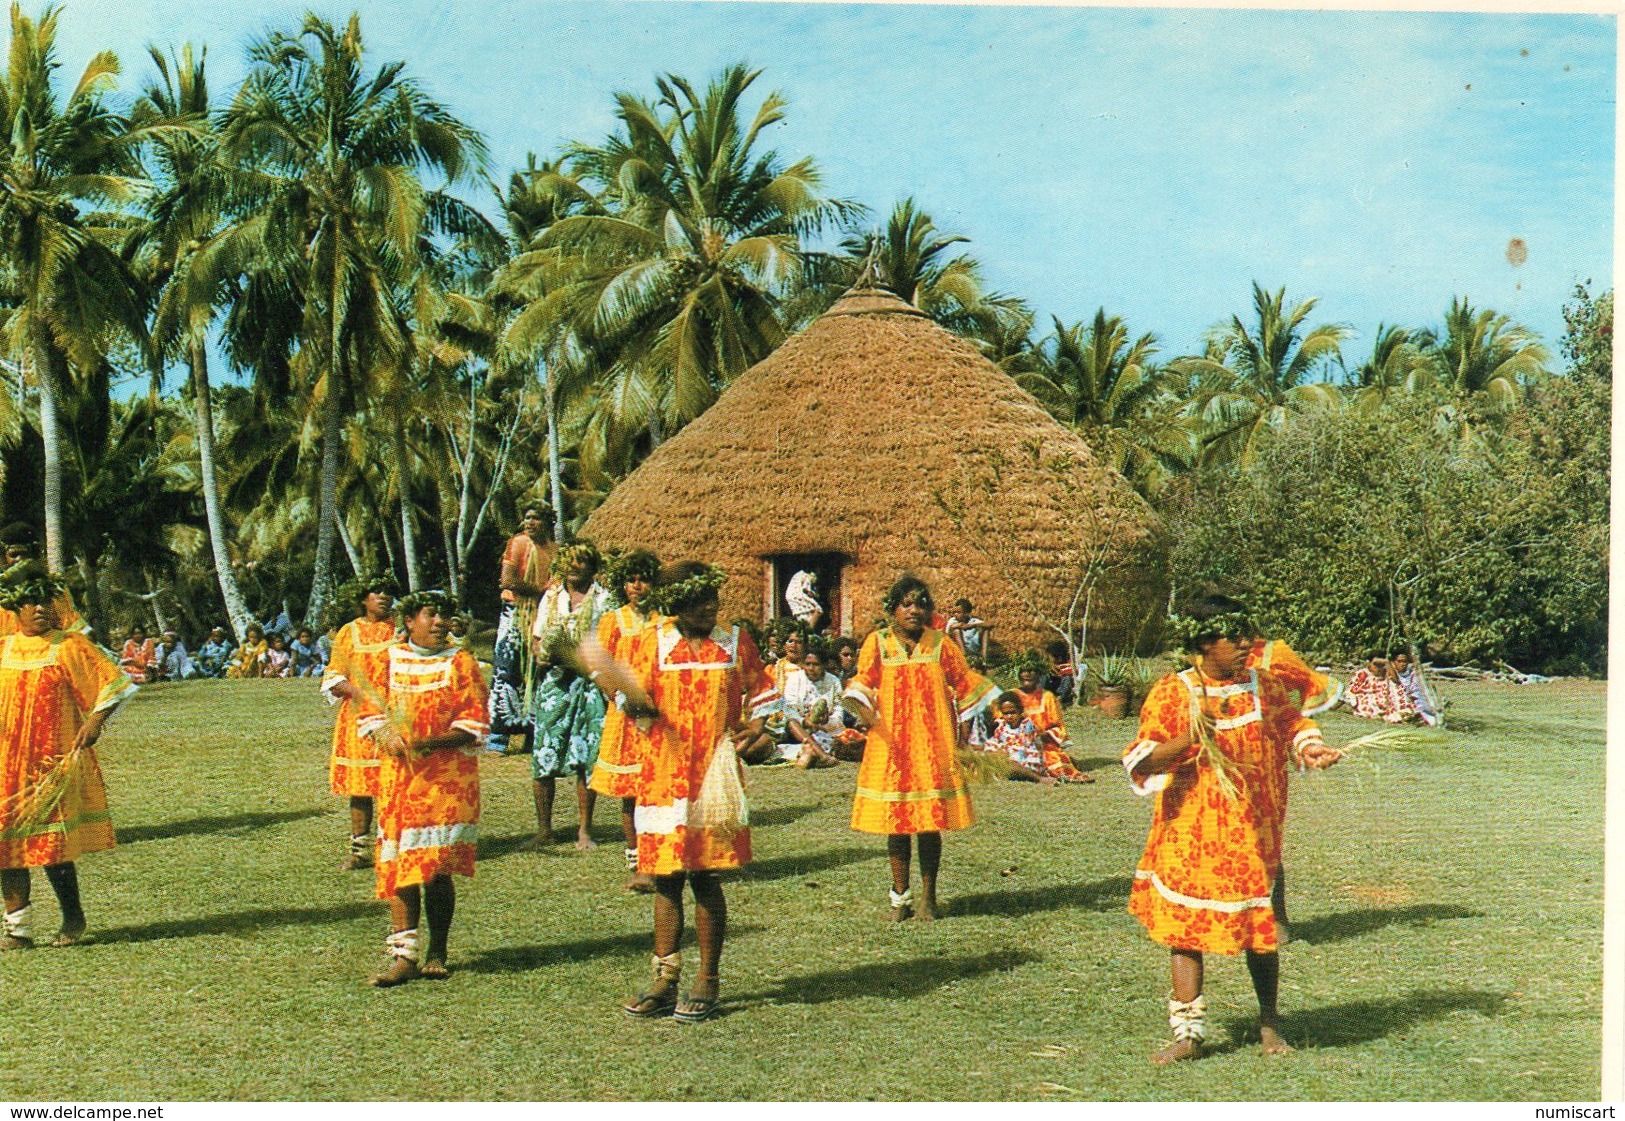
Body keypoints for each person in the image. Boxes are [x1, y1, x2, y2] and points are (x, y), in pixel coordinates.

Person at [1123, 595, 1342, 1064]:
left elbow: (1292, 724)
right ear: (1204, 642)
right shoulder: (1173, 692)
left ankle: (1269, 1025)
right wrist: (1190, 738)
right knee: (1185, 929)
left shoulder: (1265, 686)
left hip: (1252, 827)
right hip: (1192, 828)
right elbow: (1144, 758)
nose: (1247, 644)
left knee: (1259, 930)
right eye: (1234, 636)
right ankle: (1188, 1034)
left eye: (1248, 633)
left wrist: (1310, 748)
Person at [619, 561, 778, 1023]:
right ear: (675, 603)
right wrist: (633, 702)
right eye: (697, 600)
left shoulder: (733, 641)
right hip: (664, 774)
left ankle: (707, 979)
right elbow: (634, 701)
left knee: (706, 876)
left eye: (713, 598)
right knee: (667, 878)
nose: (709, 607)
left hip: (714, 774)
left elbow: (762, 688)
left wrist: (756, 726)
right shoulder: (654, 641)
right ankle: (665, 977)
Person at [844, 575, 996, 922]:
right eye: (907, 604)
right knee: (896, 824)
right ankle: (900, 899)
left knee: (929, 823)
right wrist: (863, 709)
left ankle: (929, 897)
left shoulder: (941, 644)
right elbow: (862, 682)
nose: (915, 611)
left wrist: (981, 719)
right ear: (893, 610)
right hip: (891, 746)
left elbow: (964, 684)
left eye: (921, 604)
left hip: (932, 745)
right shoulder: (877, 643)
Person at [0, 565, 136, 949]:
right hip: (5, 765)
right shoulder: (3, 647)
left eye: (46, 600)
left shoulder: (69, 646)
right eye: (31, 601)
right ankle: (18, 929)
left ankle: (72, 917)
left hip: (51, 764)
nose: (40, 608)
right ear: (16, 608)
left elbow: (113, 684)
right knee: (6, 849)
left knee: (52, 849)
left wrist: (95, 722)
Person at [357, 589, 488, 987]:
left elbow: (475, 722)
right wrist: (385, 734)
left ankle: (438, 949)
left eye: (444, 615)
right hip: (400, 779)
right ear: (409, 620)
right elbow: (369, 711)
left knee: (434, 869)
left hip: (447, 782)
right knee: (400, 867)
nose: (439, 622)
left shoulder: (461, 662)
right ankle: (404, 955)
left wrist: (429, 743)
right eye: (430, 614)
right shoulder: (387, 660)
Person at [527, 542, 614, 851]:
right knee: (544, 753)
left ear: (593, 567)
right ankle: (544, 829)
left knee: (585, 756)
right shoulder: (551, 598)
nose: (576, 567)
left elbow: (609, 641)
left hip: (590, 683)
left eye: (583, 562)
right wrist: (542, 654)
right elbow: (538, 638)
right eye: (571, 562)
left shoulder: (605, 600)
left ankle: (584, 829)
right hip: (555, 683)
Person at [587, 548, 663, 893]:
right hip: (626, 715)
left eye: (643, 578)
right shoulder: (613, 621)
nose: (637, 586)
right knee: (631, 792)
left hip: (662, 714)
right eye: (631, 580)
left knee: (660, 787)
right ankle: (639, 863)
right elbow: (600, 669)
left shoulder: (665, 620)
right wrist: (621, 698)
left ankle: (663, 856)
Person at [323, 576, 401, 871]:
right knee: (361, 787)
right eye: (376, 591)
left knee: (397, 783)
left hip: (398, 716)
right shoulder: (348, 632)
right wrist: (362, 695)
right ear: (363, 598)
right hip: (357, 720)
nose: (383, 596)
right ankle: (359, 850)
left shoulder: (402, 629)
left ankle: (393, 846)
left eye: (388, 591)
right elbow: (334, 677)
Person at [489, 505, 555, 755]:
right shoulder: (517, 543)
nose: (529, 522)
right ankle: (498, 737)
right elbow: (508, 581)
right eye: (526, 517)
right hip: (515, 612)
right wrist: (541, 591)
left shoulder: (554, 550)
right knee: (507, 669)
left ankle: (532, 734)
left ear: (547, 522)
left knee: (536, 671)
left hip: (541, 615)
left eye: (536, 518)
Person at [0, 523, 89, 640]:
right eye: (14, 555)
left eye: (24, 554)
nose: (19, 559)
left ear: (33, 554)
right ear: (4, 558)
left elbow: (72, 626)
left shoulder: (52, 588)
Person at [781, 643, 859, 768]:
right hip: (799, 730)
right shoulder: (795, 679)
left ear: (823, 665)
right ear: (803, 664)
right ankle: (823, 755)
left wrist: (827, 720)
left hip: (826, 728)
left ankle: (811, 753)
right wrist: (805, 721)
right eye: (808, 664)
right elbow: (789, 709)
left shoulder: (833, 681)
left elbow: (838, 710)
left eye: (816, 664)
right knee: (792, 721)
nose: (811, 668)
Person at [984, 693, 1057, 784]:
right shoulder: (1001, 726)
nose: (1009, 716)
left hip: (1025, 762)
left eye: (1013, 712)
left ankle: (1039, 779)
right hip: (1006, 760)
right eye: (1006, 713)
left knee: (1010, 766)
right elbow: (996, 742)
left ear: (1020, 710)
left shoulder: (1026, 725)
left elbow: (1026, 749)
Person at [1346, 654, 1417, 723]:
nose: (1378, 668)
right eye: (1375, 665)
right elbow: (1351, 692)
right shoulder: (1363, 674)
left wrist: (1387, 663)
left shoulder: (1386, 674)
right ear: (1369, 664)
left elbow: (1396, 682)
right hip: (1369, 702)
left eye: (1381, 665)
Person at [1391, 652, 1439, 726]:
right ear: (1394, 662)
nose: (1402, 664)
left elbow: (1416, 689)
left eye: (1404, 661)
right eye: (1399, 661)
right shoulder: (1391, 674)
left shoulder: (1413, 674)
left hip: (1411, 700)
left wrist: (1411, 696)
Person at [944, 599, 993, 668]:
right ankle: (965, 659)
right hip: (959, 652)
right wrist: (961, 625)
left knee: (986, 631)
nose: (955, 614)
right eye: (955, 612)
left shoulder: (973, 621)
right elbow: (952, 627)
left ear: (967, 613)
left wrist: (973, 625)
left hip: (973, 650)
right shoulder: (953, 620)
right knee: (956, 631)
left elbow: (990, 624)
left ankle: (984, 661)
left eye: (958, 612)